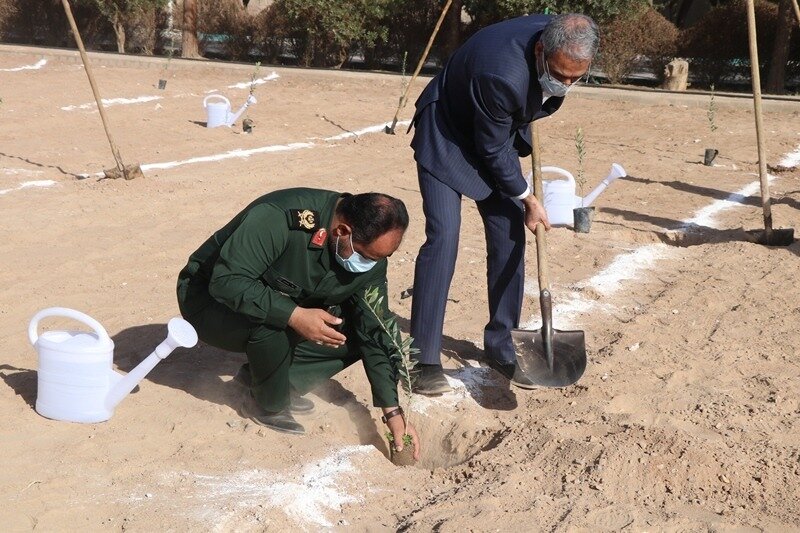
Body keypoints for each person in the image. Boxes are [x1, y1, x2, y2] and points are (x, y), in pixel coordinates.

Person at [408, 13, 599, 393]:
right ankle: (422, 359)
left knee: (510, 234)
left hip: (494, 129)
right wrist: (527, 196)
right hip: (447, 134)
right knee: (444, 237)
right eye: (559, 76)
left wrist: (520, 195)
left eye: (576, 78)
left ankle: (501, 344)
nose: (565, 85)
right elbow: (492, 150)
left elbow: (499, 139)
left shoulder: (560, 32)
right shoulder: (501, 74)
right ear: (542, 51)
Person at [176, 187, 420, 459]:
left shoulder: (368, 257)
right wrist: (294, 315)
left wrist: (392, 411)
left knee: (355, 330)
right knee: (272, 317)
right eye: (368, 256)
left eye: (381, 258)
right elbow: (227, 282)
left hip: (278, 300)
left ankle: (266, 380)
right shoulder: (279, 218)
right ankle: (266, 405)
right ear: (342, 232)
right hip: (210, 302)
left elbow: (375, 328)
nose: (372, 265)